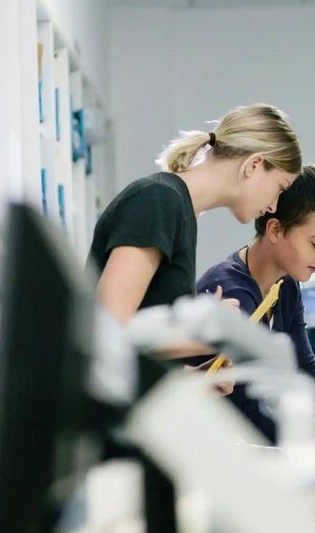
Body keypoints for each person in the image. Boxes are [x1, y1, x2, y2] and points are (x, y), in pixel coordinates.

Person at [87, 104, 302, 367]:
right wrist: (212, 334)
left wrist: (199, 375)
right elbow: (107, 330)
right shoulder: (158, 200)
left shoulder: (182, 211)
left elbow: (139, 343)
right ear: (254, 165)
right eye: (280, 188)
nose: (273, 206)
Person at [198, 165, 315, 444]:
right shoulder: (231, 294)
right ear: (275, 229)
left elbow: (309, 378)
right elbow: (253, 424)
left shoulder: (283, 285)